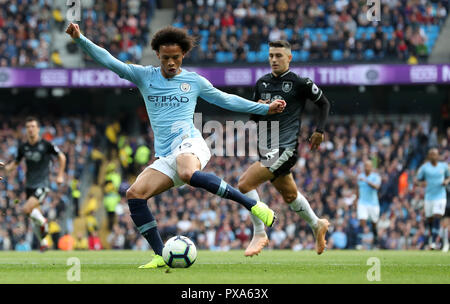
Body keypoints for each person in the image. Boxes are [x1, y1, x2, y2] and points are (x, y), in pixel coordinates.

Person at [66, 23, 286, 268]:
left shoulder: (194, 81)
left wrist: (264, 108)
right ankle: (161, 254)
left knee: (186, 171)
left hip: (191, 143)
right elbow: (109, 61)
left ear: (183, 56)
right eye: (166, 58)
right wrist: (80, 39)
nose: (171, 63)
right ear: (158, 55)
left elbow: (227, 100)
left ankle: (255, 206)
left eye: (176, 58)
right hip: (167, 154)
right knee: (134, 194)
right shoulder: (144, 75)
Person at [237, 40, 331, 256]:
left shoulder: (299, 83)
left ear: (289, 58)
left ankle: (259, 232)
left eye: (279, 55)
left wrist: (320, 130)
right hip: (267, 148)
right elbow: (253, 117)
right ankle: (317, 224)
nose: (274, 60)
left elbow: (324, 103)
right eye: (271, 55)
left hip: (285, 148)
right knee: (290, 196)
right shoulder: (261, 83)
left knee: (244, 184)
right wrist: (261, 108)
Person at [4, 116, 66, 251]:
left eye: (33, 126)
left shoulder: (46, 145)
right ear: (26, 130)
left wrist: (60, 175)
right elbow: (14, 164)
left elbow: (62, 156)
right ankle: (43, 242)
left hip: (42, 184)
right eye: (28, 127)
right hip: (29, 186)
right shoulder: (23, 147)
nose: (30, 129)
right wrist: (4, 169)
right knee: (34, 218)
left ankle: (44, 222)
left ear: (38, 129)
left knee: (26, 209)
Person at [415, 148, 450, 250]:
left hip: (440, 196)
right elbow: (416, 180)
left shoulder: (443, 166)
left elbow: (449, 176)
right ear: (429, 156)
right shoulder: (424, 168)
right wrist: (422, 183)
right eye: (431, 154)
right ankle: (433, 238)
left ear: (438, 155)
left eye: (435, 154)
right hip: (429, 197)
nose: (433, 156)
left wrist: (446, 181)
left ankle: (434, 241)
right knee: (430, 219)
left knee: (437, 216)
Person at [354, 160, 382, 249]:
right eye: (365, 166)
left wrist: (366, 180)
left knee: (374, 222)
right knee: (362, 219)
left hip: (373, 203)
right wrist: (356, 200)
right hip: (362, 202)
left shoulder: (375, 177)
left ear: (371, 167)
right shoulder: (360, 177)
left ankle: (375, 235)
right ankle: (362, 240)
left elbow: (377, 187)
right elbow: (357, 189)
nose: (366, 168)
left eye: (368, 166)